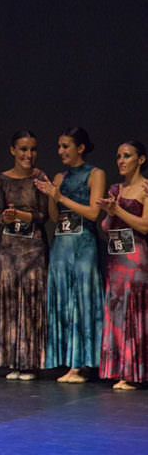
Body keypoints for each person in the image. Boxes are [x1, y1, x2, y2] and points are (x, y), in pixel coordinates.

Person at [34, 127, 105, 383]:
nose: (61, 151)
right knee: (64, 301)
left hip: (83, 244)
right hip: (62, 245)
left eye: (66, 146)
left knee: (81, 301)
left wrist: (60, 195)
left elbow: (94, 214)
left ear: (80, 148)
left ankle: (81, 364)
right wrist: (52, 196)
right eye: (59, 146)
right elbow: (55, 217)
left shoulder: (95, 174)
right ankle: (68, 361)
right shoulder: (60, 176)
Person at [0, 130, 49, 381]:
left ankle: (31, 363)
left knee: (31, 302)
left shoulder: (40, 178)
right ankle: (13, 360)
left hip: (33, 248)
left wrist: (23, 216)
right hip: (9, 247)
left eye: (33, 149)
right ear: (13, 150)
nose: (28, 154)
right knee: (10, 301)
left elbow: (44, 216)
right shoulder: (2, 179)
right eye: (23, 149)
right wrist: (5, 217)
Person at [97, 140, 148, 390]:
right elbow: (107, 228)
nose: (121, 160)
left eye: (127, 155)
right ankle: (119, 370)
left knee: (132, 312)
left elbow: (144, 226)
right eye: (118, 156)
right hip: (115, 260)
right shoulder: (115, 188)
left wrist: (118, 210)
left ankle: (133, 372)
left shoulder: (145, 189)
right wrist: (109, 211)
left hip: (136, 261)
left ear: (140, 160)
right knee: (116, 312)